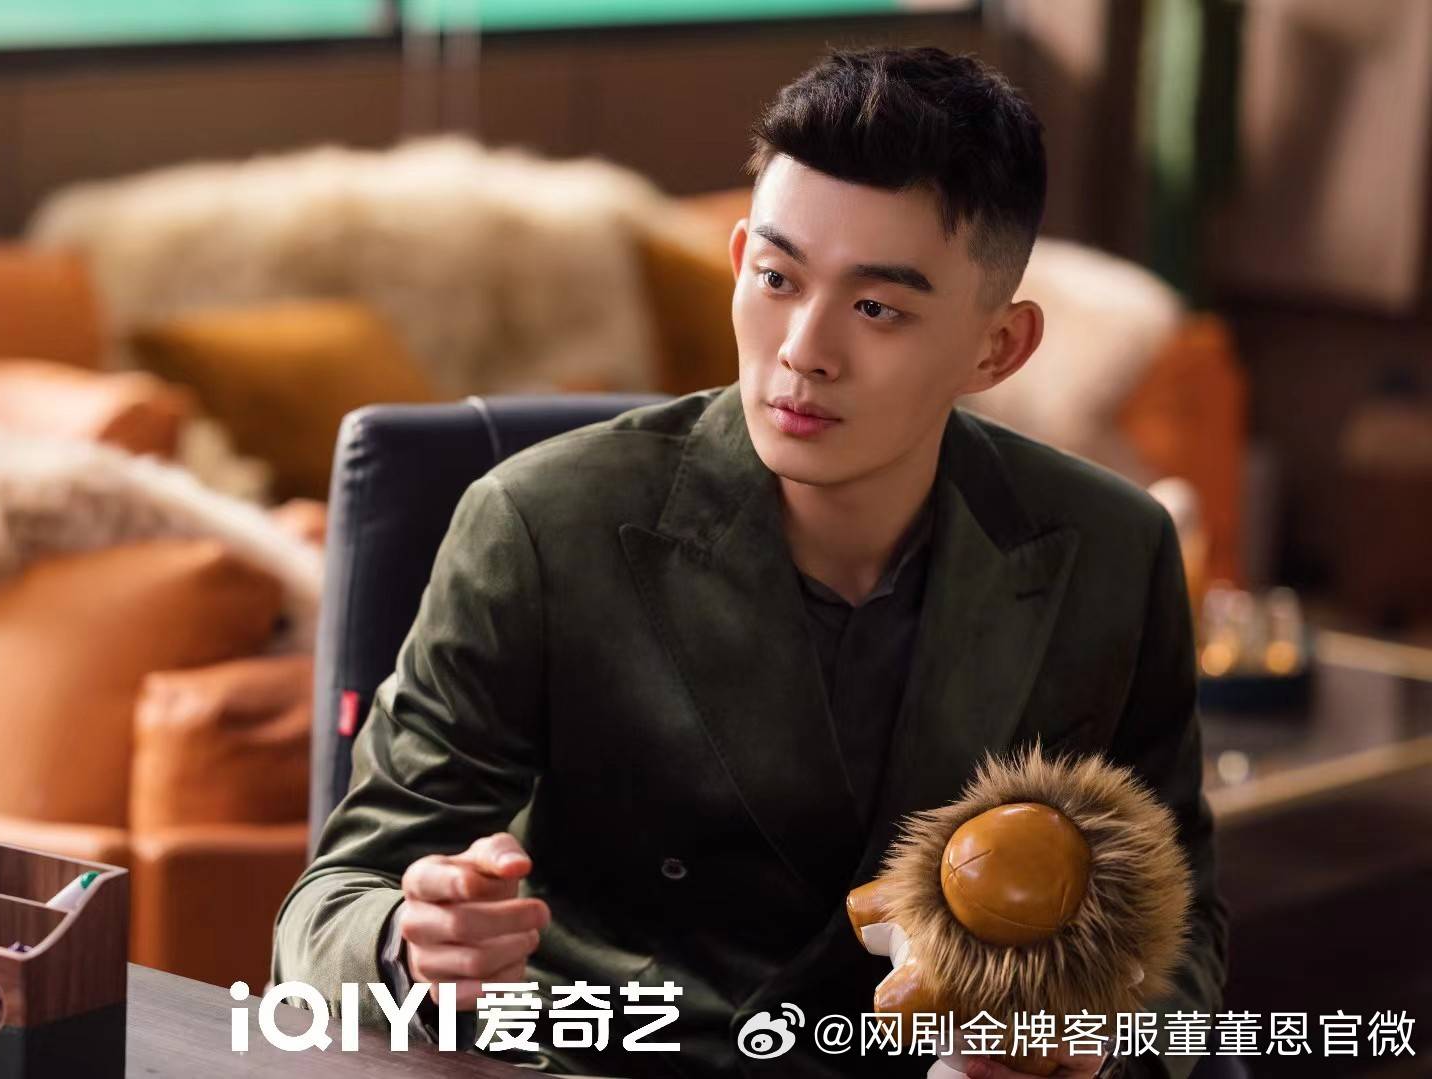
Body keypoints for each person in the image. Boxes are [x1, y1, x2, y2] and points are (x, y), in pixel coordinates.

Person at [272, 44, 1227, 1079]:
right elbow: (328, 906)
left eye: (877, 307)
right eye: (777, 278)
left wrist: (1087, 1052)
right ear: (739, 262)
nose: (804, 349)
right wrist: (408, 944)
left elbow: (1178, 930)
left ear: (998, 347)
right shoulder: (539, 524)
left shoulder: (1111, 551)